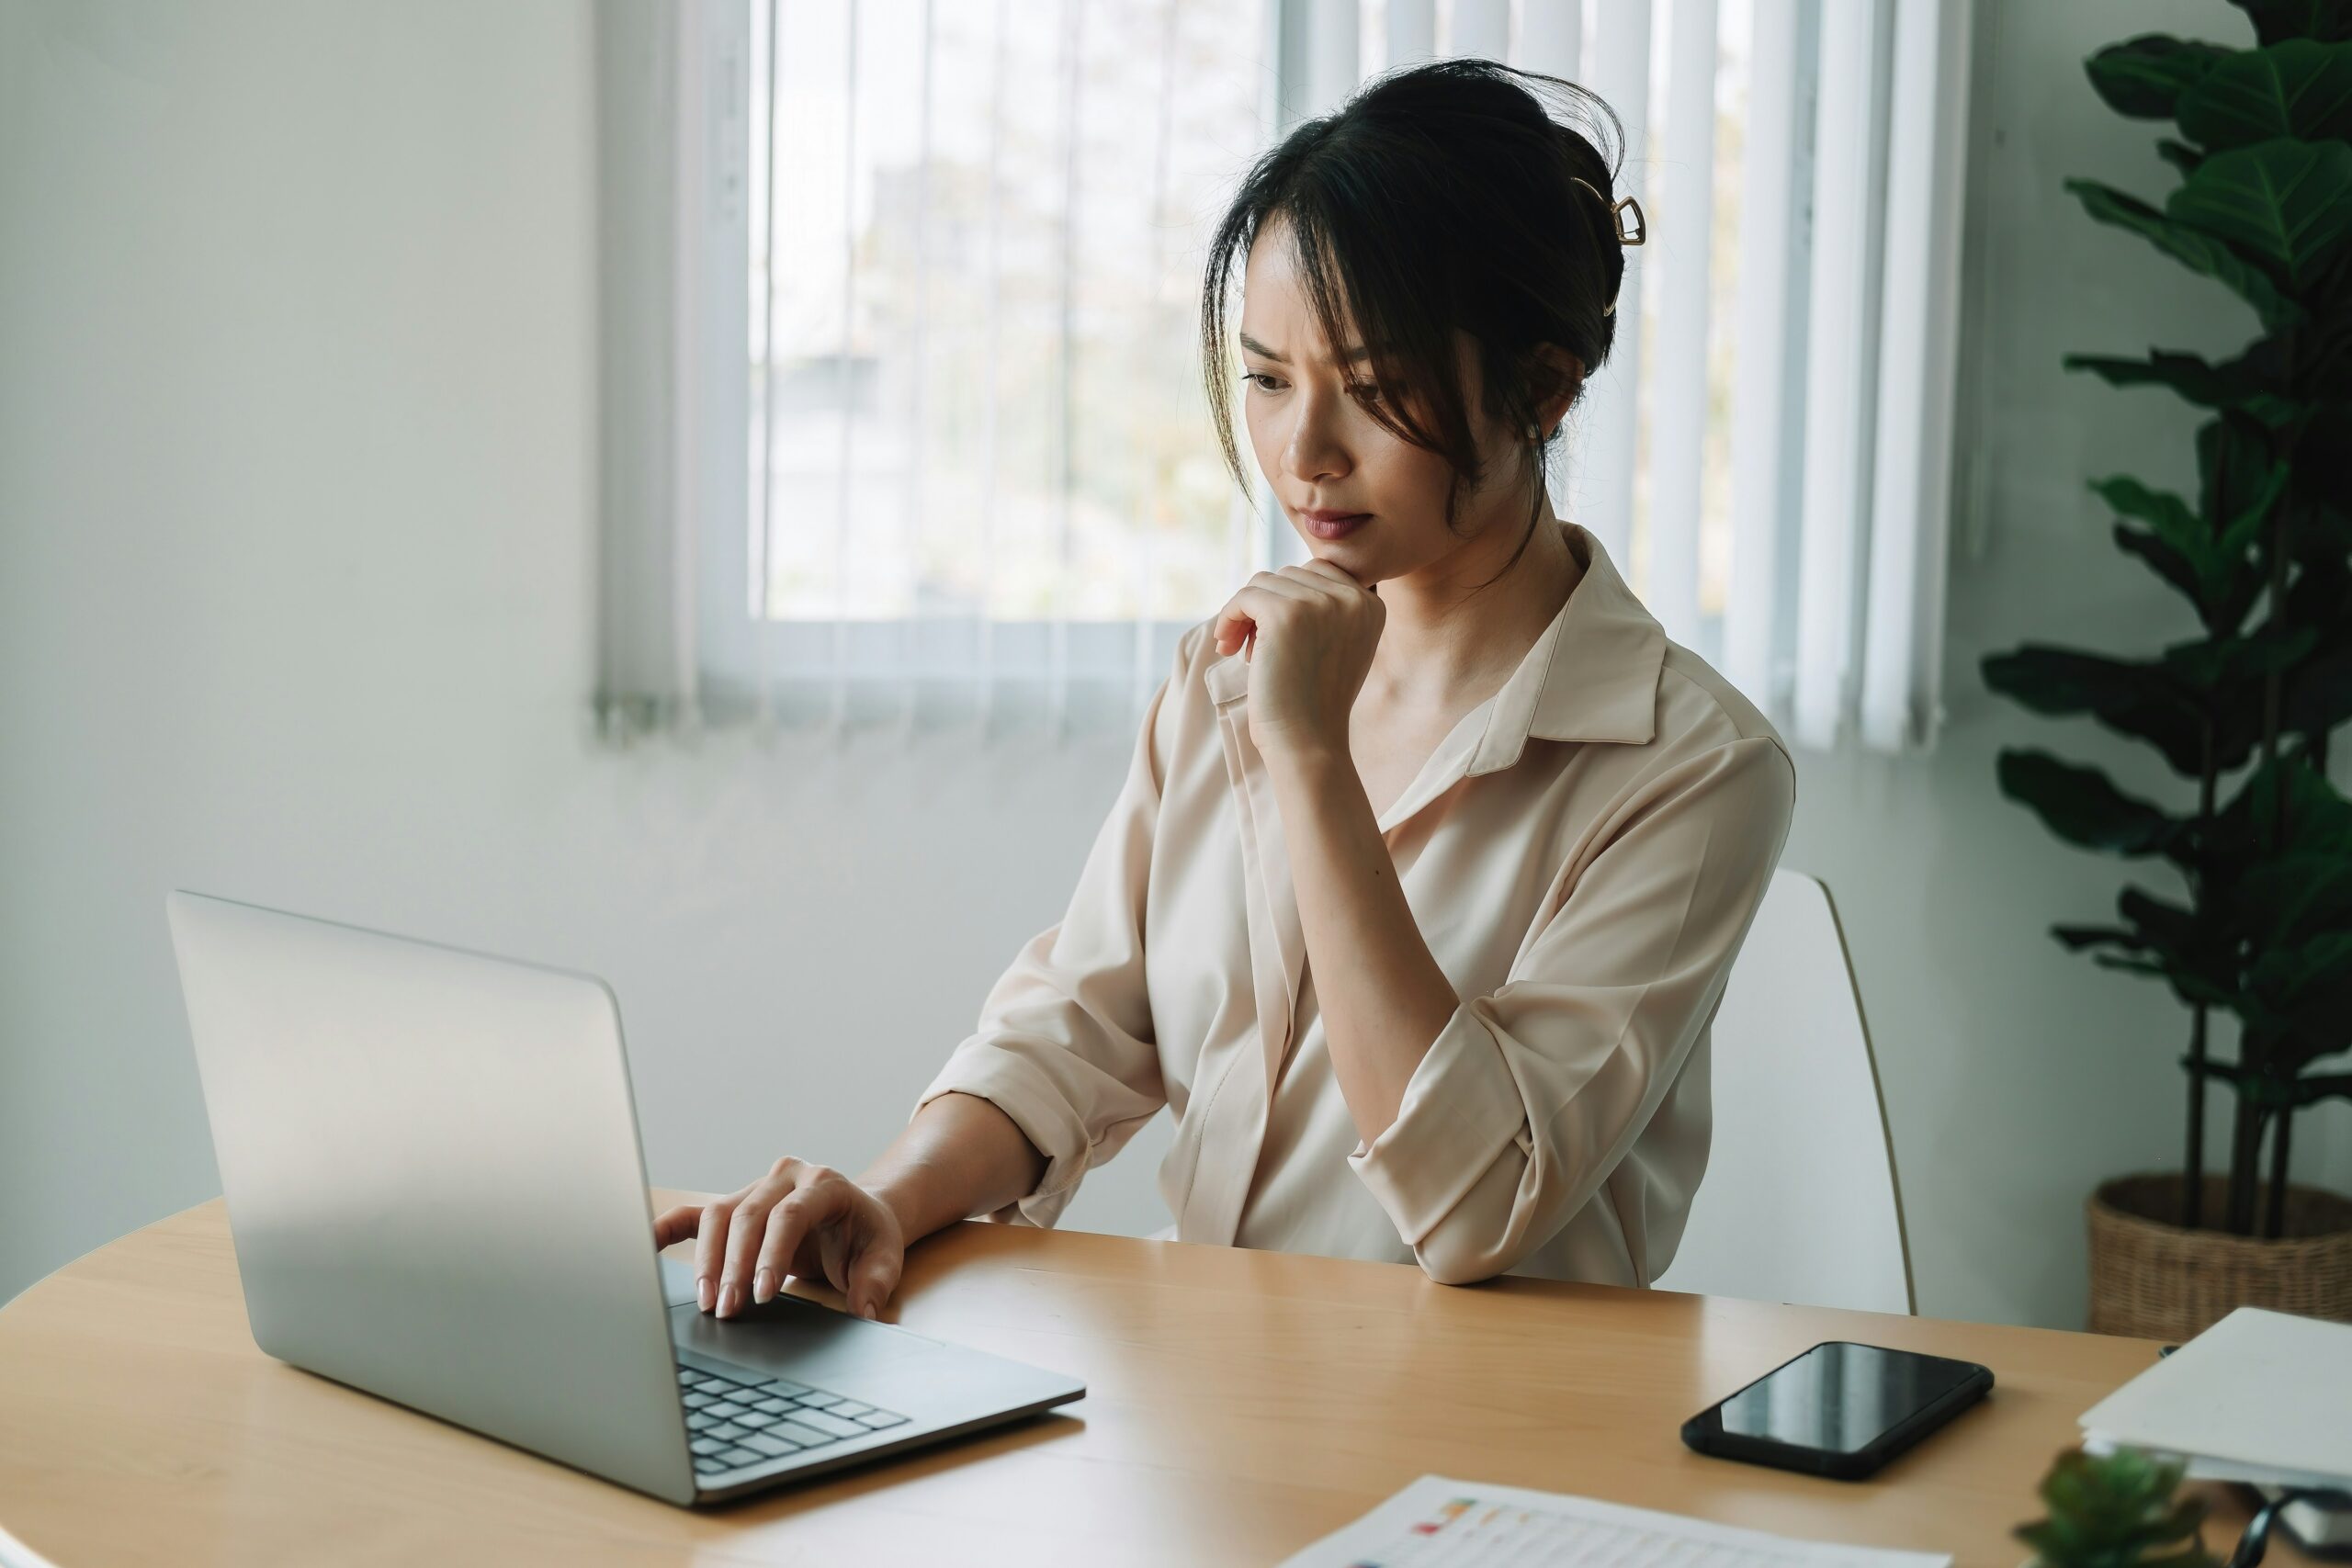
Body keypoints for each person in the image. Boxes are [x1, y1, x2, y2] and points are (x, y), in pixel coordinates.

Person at [654, 59, 1795, 1322]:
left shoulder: (1692, 765)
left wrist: (1309, 759)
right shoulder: (1231, 666)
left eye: (1371, 390)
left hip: (1488, 1460)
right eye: (1266, 379)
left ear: (1539, 388)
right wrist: (890, 1196)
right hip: (1203, 1409)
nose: (1302, 454)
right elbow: (1078, 1027)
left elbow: (1479, 1201)